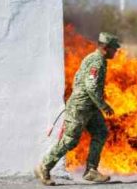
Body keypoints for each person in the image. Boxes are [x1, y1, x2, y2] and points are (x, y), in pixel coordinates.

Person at [34, 32, 120, 186]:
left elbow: (79, 80)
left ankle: (91, 171)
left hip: (89, 107)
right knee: (70, 140)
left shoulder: (96, 59)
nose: (116, 52)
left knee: (101, 132)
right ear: (106, 48)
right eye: (114, 49)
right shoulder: (97, 61)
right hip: (80, 107)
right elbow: (91, 86)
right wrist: (103, 105)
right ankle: (44, 166)